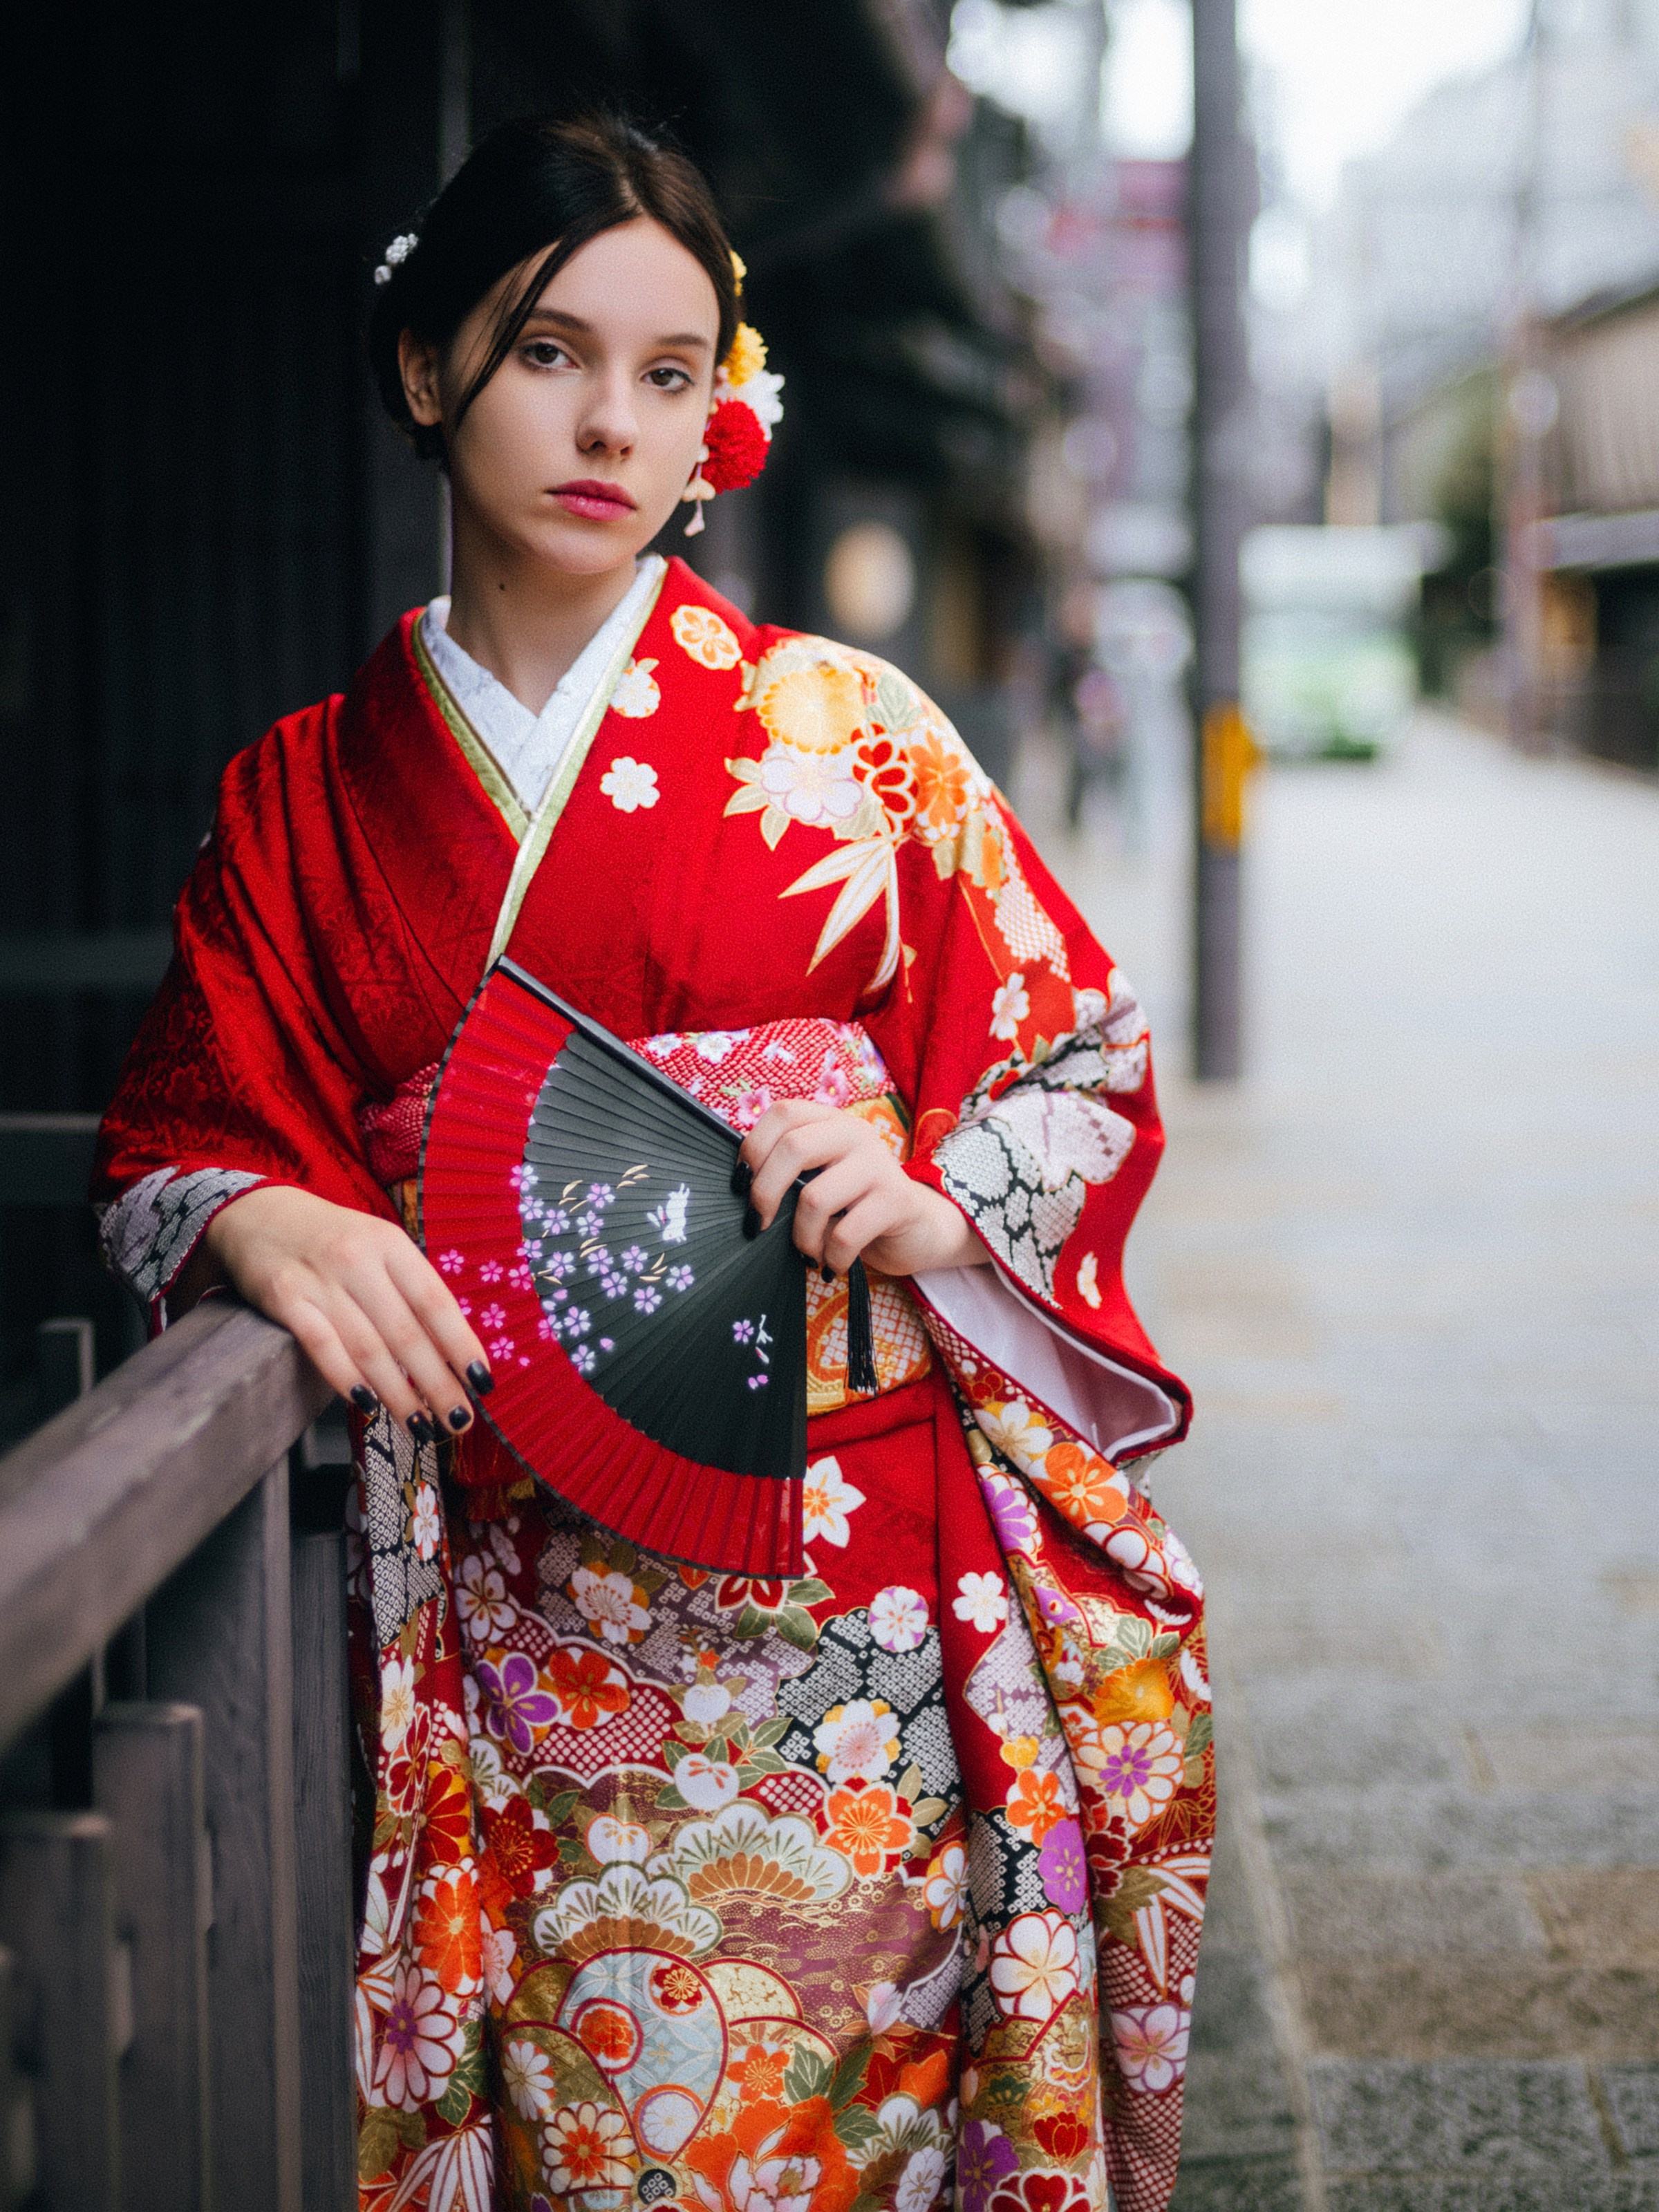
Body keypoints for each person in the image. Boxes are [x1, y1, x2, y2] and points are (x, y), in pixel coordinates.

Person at [93, 114, 1210, 2212]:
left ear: (719, 414)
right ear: (426, 365)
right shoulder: (299, 802)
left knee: (848, 2129)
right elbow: (181, 1127)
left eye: (670, 371)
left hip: (841, 1616)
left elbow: (1077, 1054)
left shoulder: (852, 734)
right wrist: (258, 1209)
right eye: (550, 352)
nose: (614, 421)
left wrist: (941, 1192)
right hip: (500, 1625)